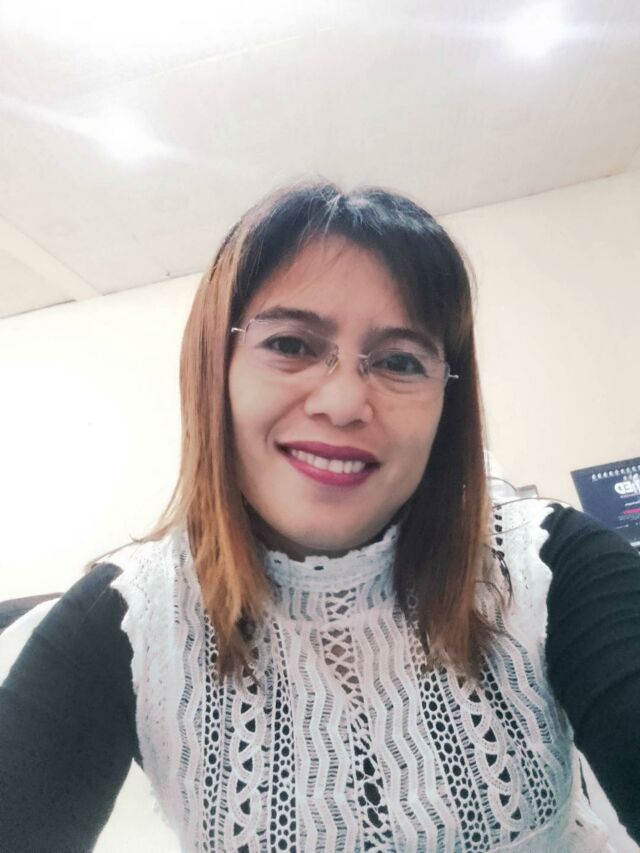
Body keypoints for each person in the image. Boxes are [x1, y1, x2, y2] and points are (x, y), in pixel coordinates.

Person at [1, 182, 639, 852]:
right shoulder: (120, 620)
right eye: (291, 344)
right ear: (214, 369)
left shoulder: (549, 566)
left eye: (400, 361)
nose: (342, 402)